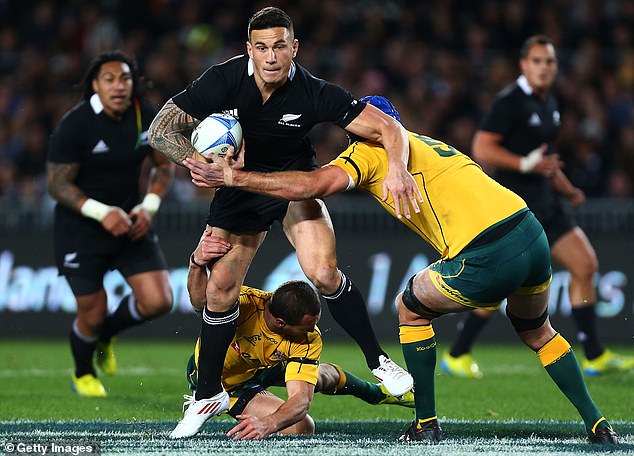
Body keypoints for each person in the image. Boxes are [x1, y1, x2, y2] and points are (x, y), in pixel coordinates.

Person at [183, 95, 619, 445]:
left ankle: (425, 422)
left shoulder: (370, 153)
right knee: (538, 331)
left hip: (486, 249)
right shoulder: (426, 142)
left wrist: (236, 178)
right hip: (530, 232)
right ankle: (599, 425)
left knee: (409, 306)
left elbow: (314, 186)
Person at [148, 6, 419, 435]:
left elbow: (390, 128)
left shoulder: (314, 92)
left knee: (324, 272)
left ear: (294, 48)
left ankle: (379, 362)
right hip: (238, 192)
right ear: (249, 51)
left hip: (292, 188)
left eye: (279, 47)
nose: (271, 57)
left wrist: (398, 168)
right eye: (261, 48)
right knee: (219, 291)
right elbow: (162, 127)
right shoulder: (223, 79)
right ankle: (205, 397)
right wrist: (194, 161)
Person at [441, 35, 634, 379]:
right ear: (523, 65)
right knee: (503, 285)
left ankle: (593, 354)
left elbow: (543, 158)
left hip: (548, 200)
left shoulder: (549, 103)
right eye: (537, 61)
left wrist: (567, 187)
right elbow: (482, 148)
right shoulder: (510, 102)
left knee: (585, 264)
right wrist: (525, 165)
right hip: (516, 206)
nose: (544, 68)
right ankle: (457, 353)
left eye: (550, 62)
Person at [170, 230, 414, 440]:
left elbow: (300, 401)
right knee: (301, 428)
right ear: (280, 322)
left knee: (319, 378)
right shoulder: (242, 305)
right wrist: (196, 263)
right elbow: (201, 303)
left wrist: (270, 423)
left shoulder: (306, 338)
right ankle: (206, 399)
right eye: (307, 327)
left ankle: (378, 394)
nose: (313, 331)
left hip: (261, 367)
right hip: (227, 382)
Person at [46, 50, 175, 397]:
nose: (118, 86)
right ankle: (83, 372)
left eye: (124, 78)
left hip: (132, 223)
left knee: (159, 301)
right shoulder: (76, 125)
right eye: (109, 79)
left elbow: (164, 166)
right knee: (92, 310)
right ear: (94, 85)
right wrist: (103, 213)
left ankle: (107, 334)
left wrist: (147, 207)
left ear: (133, 83)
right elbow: (57, 184)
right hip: (82, 229)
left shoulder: (145, 115)